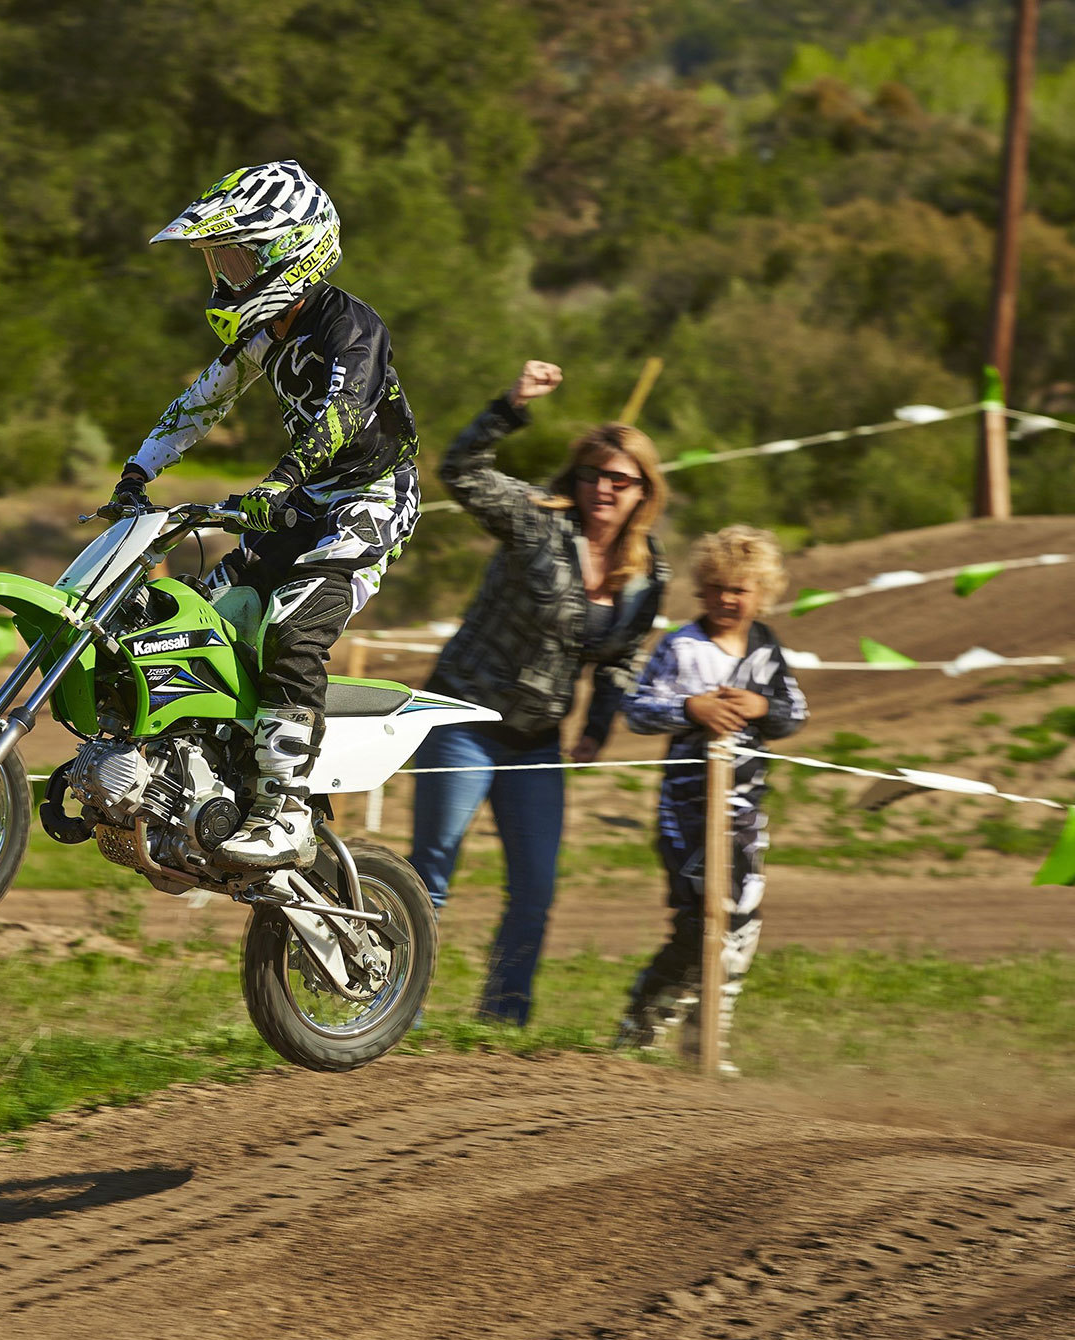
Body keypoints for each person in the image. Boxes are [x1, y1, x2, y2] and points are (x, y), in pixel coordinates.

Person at [108, 160, 420, 869]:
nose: (223, 278)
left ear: (291, 252)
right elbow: (200, 403)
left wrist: (279, 480)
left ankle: (286, 810)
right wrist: (136, 473)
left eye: (236, 260)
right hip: (303, 501)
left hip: (370, 500)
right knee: (195, 617)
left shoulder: (352, 326)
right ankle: (195, 779)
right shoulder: (263, 335)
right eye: (218, 262)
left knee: (292, 625)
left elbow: (345, 412)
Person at [407, 360, 669, 1025]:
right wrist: (511, 404)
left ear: (644, 491)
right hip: (463, 718)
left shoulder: (647, 572)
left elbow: (620, 658)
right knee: (431, 873)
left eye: (620, 479)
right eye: (592, 474)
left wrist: (598, 725)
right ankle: (390, 1009)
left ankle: (504, 1021)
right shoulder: (537, 522)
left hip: (537, 740)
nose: (603, 488)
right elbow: (461, 471)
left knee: (535, 890)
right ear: (574, 478)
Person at [616, 525, 808, 1076]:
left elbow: (796, 712)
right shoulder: (681, 646)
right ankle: (641, 1029)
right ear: (702, 589)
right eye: (718, 588)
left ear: (762, 593)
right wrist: (690, 709)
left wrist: (761, 708)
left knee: (742, 920)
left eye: (740, 589)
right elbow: (637, 709)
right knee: (699, 918)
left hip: (745, 809)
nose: (728, 599)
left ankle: (708, 1040)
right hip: (687, 807)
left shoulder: (767, 649)